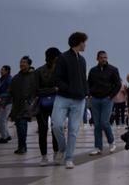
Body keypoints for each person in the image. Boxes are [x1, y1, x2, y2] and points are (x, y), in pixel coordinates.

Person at [52, 31, 90, 168]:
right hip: (63, 98)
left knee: (73, 131)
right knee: (56, 125)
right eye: (85, 42)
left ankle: (69, 158)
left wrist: (86, 92)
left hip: (79, 100)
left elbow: (83, 79)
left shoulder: (83, 60)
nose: (86, 44)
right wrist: (68, 89)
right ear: (79, 42)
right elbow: (57, 78)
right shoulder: (63, 57)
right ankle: (62, 148)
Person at [87, 50, 121, 155]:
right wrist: (89, 94)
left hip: (107, 99)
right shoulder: (92, 71)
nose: (104, 59)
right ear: (97, 59)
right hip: (95, 99)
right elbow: (88, 83)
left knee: (104, 122)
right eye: (102, 57)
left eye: (105, 57)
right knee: (97, 124)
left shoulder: (113, 70)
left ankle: (111, 142)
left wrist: (111, 96)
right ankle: (98, 147)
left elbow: (118, 85)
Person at [35, 47, 61, 165]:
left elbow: (62, 87)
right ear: (50, 58)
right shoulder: (39, 71)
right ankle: (44, 156)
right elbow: (36, 91)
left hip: (57, 104)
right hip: (42, 105)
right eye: (56, 57)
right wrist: (53, 89)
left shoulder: (61, 70)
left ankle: (56, 153)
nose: (58, 59)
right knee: (42, 130)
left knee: (56, 129)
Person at [9, 56, 37, 154]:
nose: (22, 64)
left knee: (22, 124)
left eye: (24, 62)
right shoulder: (16, 77)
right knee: (19, 126)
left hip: (27, 104)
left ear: (29, 64)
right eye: (21, 62)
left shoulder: (34, 76)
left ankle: (22, 147)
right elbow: (10, 91)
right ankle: (22, 146)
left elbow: (36, 90)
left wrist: (31, 101)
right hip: (17, 105)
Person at [0, 65, 13, 144]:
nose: (0, 71)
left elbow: (10, 91)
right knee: (3, 120)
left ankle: (4, 137)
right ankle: (7, 135)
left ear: (7, 71)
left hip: (7, 102)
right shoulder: (0, 80)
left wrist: (1, 97)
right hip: (2, 102)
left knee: (1, 120)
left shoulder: (9, 79)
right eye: (1, 69)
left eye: (2, 70)